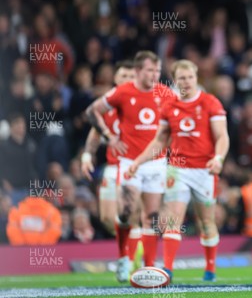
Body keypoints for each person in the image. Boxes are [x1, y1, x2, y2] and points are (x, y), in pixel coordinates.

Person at [128, 59, 229, 282]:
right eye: (182, 78)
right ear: (175, 81)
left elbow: (222, 136)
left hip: (205, 170)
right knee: (173, 219)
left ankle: (210, 268)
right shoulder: (169, 107)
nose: (187, 81)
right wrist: (139, 161)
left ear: (196, 78)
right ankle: (168, 269)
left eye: (190, 77)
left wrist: (219, 158)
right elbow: (159, 141)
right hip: (177, 168)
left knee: (207, 222)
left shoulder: (210, 102)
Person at [87, 51, 176, 282]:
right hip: (129, 163)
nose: (154, 75)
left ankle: (148, 268)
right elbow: (92, 111)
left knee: (152, 217)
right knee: (126, 214)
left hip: (155, 163)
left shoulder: (165, 93)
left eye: (157, 71)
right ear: (138, 71)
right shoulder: (123, 92)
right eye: (150, 70)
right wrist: (109, 136)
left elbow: (174, 126)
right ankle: (122, 257)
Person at [81, 61, 135, 236]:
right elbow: (95, 132)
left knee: (131, 214)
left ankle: (131, 255)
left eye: (131, 76)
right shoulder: (107, 104)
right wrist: (87, 155)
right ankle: (130, 247)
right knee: (107, 218)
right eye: (124, 76)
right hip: (112, 166)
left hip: (135, 167)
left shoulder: (144, 102)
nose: (127, 80)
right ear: (115, 78)